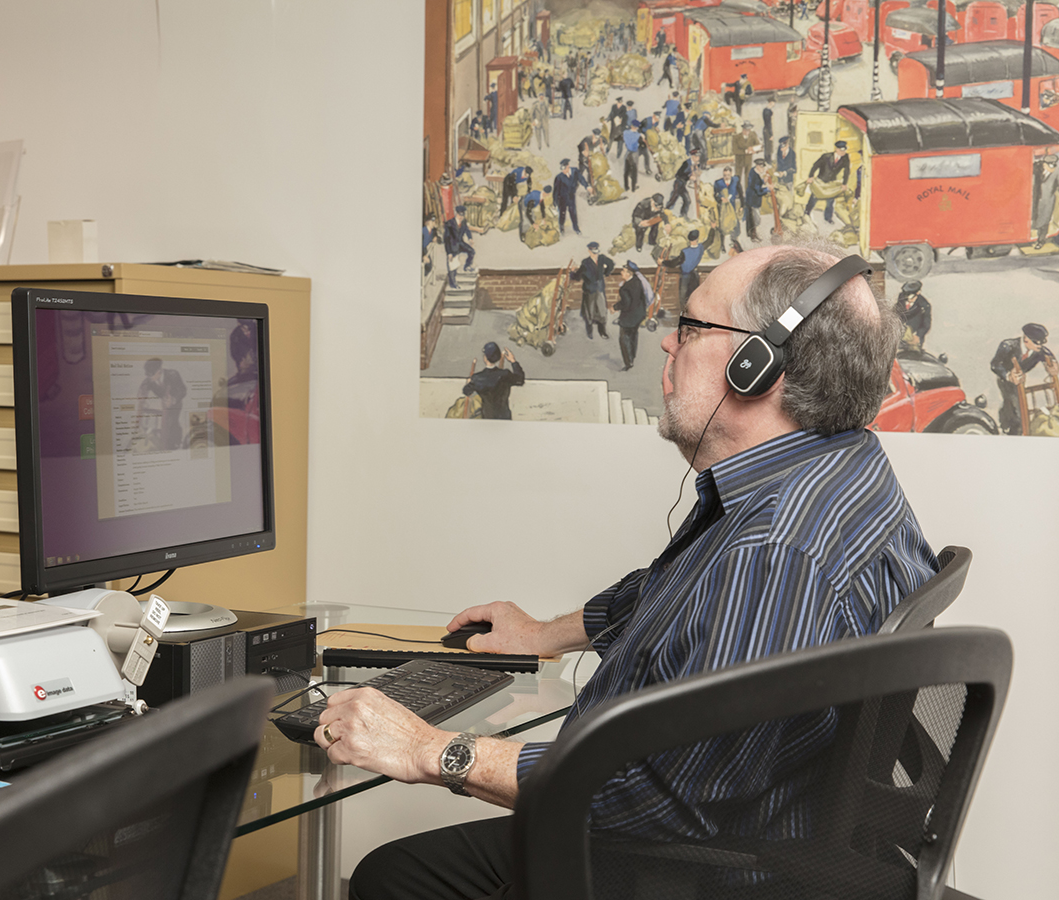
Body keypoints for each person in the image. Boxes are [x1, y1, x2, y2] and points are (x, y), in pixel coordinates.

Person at [340, 238, 937, 900]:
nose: (666, 345)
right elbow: (672, 590)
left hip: (701, 867)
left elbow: (661, 797)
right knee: (393, 873)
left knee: (392, 882)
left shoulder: (775, 553)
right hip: (777, 839)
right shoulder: (833, 472)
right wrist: (545, 634)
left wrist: (434, 751)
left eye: (692, 328)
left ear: (756, 367)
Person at [990, 323, 1058, 434]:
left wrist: (1053, 364)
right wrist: (1008, 375)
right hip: (1006, 378)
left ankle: (1007, 422)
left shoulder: (1038, 350)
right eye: (1036, 342)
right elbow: (995, 364)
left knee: (1012, 403)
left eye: (1041, 343)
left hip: (1020, 379)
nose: (1039, 346)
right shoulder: (1007, 346)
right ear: (1026, 339)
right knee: (1014, 404)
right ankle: (1013, 429)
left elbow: (1046, 353)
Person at [461, 342, 525, 420]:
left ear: (485, 358)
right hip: (505, 418)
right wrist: (513, 361)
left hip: (488, 418)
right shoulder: (505, 374)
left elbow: (466, 391)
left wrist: (469, 381)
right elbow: (520, 380)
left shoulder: (478, 377)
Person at [137, 358, 187, 451]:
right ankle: (163, 441)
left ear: (159, 372)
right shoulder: (150, 379)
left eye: (151, 375)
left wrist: (173, 399)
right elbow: (144, 386)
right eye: (147, 374)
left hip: (175, 402)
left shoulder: (173, 375)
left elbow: (183, 390)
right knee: (165, 423)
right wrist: (142, 396)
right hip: (163, 402)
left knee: (172, 421)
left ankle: (174, 444)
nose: (149, 377)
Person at [570, 241, 615, 339]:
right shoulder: (585, 262)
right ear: (589, 251)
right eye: (593, 252)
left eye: (596, 252)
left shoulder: (602, 258)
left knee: (602, 310)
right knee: (589, 311)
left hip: (599, 288)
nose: (596, 254)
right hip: (589, 290)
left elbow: (611, 264)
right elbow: (578, 277)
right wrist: (572, 272)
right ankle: (589, 331)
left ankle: (602, 331)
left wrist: (605, 273)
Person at [806, 141, 851, 225]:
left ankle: (828, 218)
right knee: (814, 197)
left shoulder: (845, 158)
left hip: (831, 182)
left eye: (844, 151)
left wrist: (844, 183)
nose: (843, 153)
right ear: (836, 149)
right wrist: (810, 176)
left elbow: (847, 171)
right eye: (841, 151)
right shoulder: (826, 156)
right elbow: (815, 165)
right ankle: (807, 213)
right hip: (821, 180)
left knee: (830, 200)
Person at [614, 260, 649, 370]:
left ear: (629, 273)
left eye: (623, 271)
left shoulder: (625, 288)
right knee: (633, 335)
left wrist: (614, 307)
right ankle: (632, 357)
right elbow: (643, 299)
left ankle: (628, 362)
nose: (621, 273)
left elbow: (626, 303)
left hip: (628, 317)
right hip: (638, 315)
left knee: (624, 339)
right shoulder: (637, 282)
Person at [661, 228, 705, 304]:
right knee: (694, 297)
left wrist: (663, 262)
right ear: (697, 239)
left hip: (685, 277)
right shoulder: (700, 248)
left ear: (689, 240)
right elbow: (710, 240)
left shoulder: (685, 252)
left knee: (683, 297)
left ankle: (684, 314)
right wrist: (713, 229)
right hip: (694, 276)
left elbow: (674, 263)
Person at [553, 158, 590, 236]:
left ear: (568, 166)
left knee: (573, 213)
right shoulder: (559, 177)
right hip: (561, 198)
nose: (563, 171)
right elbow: (555, 191)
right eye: (562, 169)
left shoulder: (575, 171)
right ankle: (562, 228)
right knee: (562, 214)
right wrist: (555, 202)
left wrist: (587, 186)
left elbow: (581, 179)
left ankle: (576, 228)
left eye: (565, 169)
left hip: (571, 197)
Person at [443, 206, 476, 288]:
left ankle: (467, 266)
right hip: (452, 245)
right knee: (452, 265)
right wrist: (449, 253)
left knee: (472, 252)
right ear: (456, 214)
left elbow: (467, 230)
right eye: (459, 215)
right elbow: (446, 239)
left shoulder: (464, 222)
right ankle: (453, 283)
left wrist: (470, 238)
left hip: (460, 243)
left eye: (462, 216)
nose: (461, 217)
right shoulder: (449, 224)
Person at [894, 280, 932, 348]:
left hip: (914, 338)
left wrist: (918, 335)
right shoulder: (901, 297)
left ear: (918, 293)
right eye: (906, 296)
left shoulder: (924, 305)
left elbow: (926, 324)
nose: (908, 299)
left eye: (911, 296)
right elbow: (895, 313)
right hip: (899, 336)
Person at [1033, 154, 1058, 249]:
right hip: (1035, 198)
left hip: (1047, 200)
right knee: (1035, 218)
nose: (1052, 169)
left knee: (1044, 220)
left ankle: (1040, 240)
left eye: (1054, 166)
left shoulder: (1056, 173)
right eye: (1050, 166)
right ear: (1044, 165)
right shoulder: (1037, 168)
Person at [666, 149, 699, 217]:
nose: (698, 158)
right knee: (672, 200)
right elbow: (678, 174)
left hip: (683, 185)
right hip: (678, 183)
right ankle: (665, 212)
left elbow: (695, 173)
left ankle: (683, 216)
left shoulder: (695, 164)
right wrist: (689, 177)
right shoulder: (686, 163)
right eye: (697, 156)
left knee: (687, 201)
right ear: (693, 156)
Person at [744, 158, 771, 242]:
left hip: (752, 199)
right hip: (753, 201)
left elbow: (758, 185)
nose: (763, 169)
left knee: (754, 219)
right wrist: (768, 189)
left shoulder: (754, 172)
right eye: (762, 167)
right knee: (756, 220)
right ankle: (754, 236)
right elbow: (758, 191)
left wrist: (764, 181)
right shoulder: (754, 175)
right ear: (758, 166)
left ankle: (754, 235)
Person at [713, 165, 742, 239]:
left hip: (733, 205)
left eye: (728, 175)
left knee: (735, 224)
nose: (726, 177)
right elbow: (715, 195)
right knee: (723, 225)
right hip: (723, 207)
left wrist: (742, 205)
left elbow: (741, 193)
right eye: (725, 175)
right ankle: (722, 244)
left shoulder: (736, 180)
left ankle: (734, 239)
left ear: (731, 174)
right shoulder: (718, 183)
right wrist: (721, 198)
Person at [622, 121, 643, 192]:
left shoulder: (625, 132)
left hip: (627, 152)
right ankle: (633, 188)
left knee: (626, 170)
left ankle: (626, 186)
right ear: (636, 127)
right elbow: (638, 143)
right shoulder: (638, 135)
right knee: (634, 170)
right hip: (634, 153)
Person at [421, 212, 438, 278]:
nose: (434, 223)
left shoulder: (433, 231)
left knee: (429, 266)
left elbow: (439, 239)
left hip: (425, 249)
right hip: (421, 250)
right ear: (428, 222)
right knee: (427, 265)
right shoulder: (423, 231)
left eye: (434, 222)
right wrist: (423, 255)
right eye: (432, 221)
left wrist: (436, 238)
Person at [762, 97, 776, 162]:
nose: (774, 104)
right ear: (771, 102)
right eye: (773, 103)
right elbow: (768, 123)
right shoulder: (768, 111)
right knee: (768, 146)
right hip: (767, 130)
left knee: (767, 145)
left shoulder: (765, 110)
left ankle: (767, 159)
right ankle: (768, 160)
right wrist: (771, 134)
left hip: (765, 129)